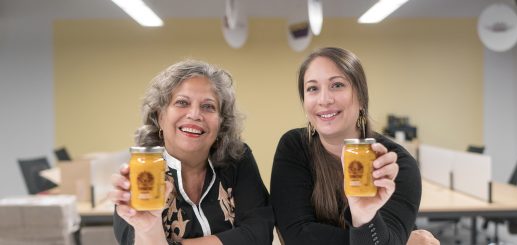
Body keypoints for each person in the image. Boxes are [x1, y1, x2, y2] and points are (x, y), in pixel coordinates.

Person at [270, 47, 438, 245]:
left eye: (337, 85)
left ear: (361, 99)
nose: (324, 99)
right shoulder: (295, 147)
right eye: (313, 88)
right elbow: (298, 236)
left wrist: (364, 217)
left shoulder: (395, 163)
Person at [109, 60, 274, 245]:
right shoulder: (141, 177)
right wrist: (149, 229)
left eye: (208, 106)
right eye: (182, 102)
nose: (195, 114)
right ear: (159, 117)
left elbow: (260, 233)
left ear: (221, 123)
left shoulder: (237, 158)